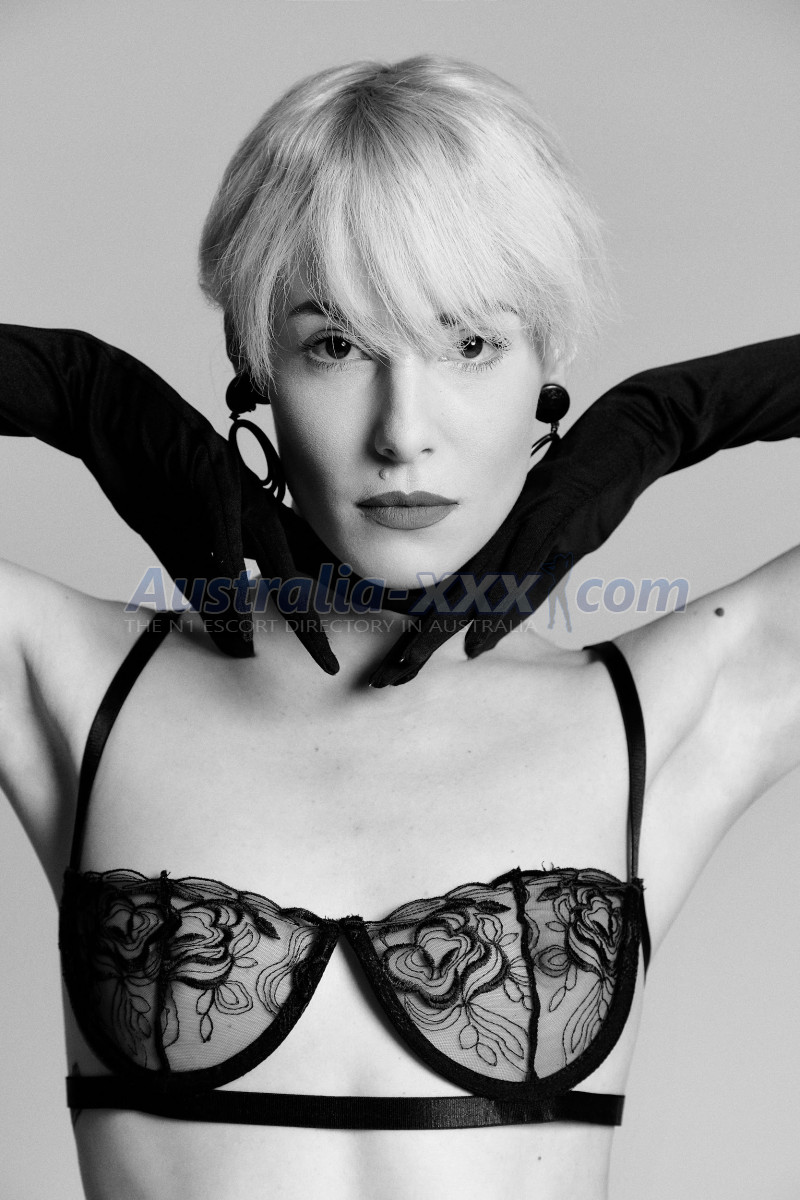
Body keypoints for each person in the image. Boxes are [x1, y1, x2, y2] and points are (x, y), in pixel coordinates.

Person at [0, 54, 798, 1200]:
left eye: (470, 344)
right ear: (256, 370)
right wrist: (75, 392)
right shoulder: (70, 680)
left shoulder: (664, 712)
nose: (401, 431)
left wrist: (678, 418)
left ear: (545, 368)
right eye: (334, 345)